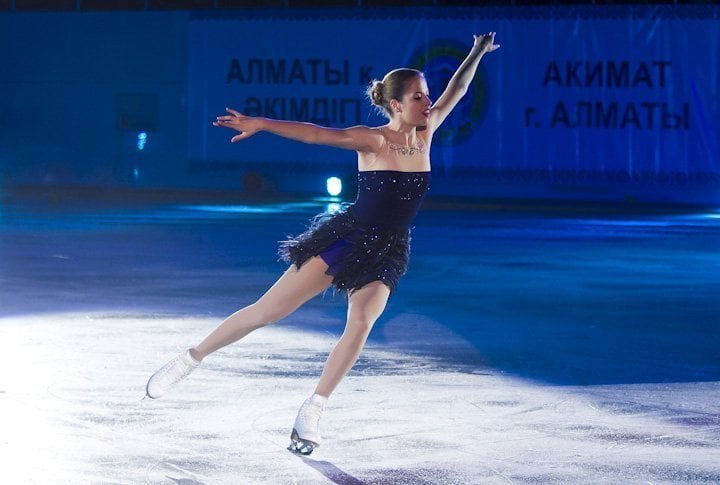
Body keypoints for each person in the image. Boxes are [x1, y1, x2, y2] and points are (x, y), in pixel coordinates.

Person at [145, 33, 500, 455]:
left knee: (362, 323)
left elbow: (458, 88)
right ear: (395, 105)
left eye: (427, 96)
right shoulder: (373, 140)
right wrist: (261, 123)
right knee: (268, 311)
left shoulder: (426, 134)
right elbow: (315, 134)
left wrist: (476, 52)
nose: (429, 103)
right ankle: (191, 358)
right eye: (420, 97)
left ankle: (312, 410)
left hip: (388, 249)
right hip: (347, 239)